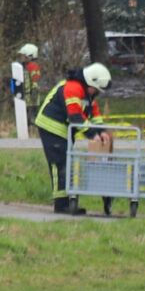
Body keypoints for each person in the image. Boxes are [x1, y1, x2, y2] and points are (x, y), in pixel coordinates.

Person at [36, 61, 112, 215]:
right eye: (96, 89)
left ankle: (67, 201)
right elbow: (76, 116)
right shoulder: (72, 88)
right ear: (91, 81)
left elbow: (94, 115)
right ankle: (61, 204)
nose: (96, 92)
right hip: (51, 127)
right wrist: (92, 135)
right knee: (59, 165)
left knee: (67, 163)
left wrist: (102, 131)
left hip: (64, 130)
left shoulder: (88, 94)